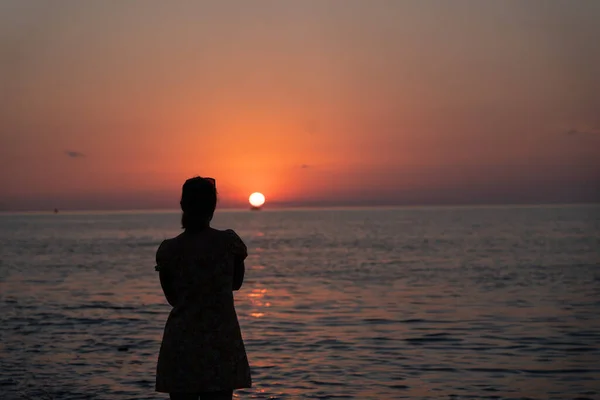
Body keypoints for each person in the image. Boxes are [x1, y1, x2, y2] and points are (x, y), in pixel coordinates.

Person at [155, 177, 252, 400]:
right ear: (213, 207)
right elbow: (235, 284)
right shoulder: (229, 243)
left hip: (182, 341)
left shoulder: (169, 250)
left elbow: (172, 298)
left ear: (182, 205)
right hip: (220, 341)